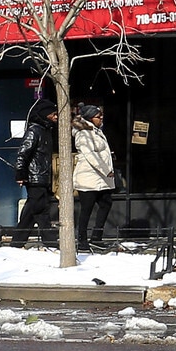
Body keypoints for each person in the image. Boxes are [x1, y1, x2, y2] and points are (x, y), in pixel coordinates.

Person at [11, 98, 58, 247]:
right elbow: (23, 153)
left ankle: (17, 243)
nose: (56, 117)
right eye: (53, 114)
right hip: (35, 177)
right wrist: (21, 174)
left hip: (42, 177)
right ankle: (49, 241)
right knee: (40, 209)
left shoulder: (46, 131)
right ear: (45, 114)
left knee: (33, 210)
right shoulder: (34, 130)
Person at [71, 104, 117, 250]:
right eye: (98, 116)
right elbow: (91, 155)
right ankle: (82, 240)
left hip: (100, 178)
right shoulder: (83, 133)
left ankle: (96, 236)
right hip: (88, 177)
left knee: (106, 203)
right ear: (90, 118)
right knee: (87, 209)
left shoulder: (95, 131)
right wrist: (106, 170)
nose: (101, 118)